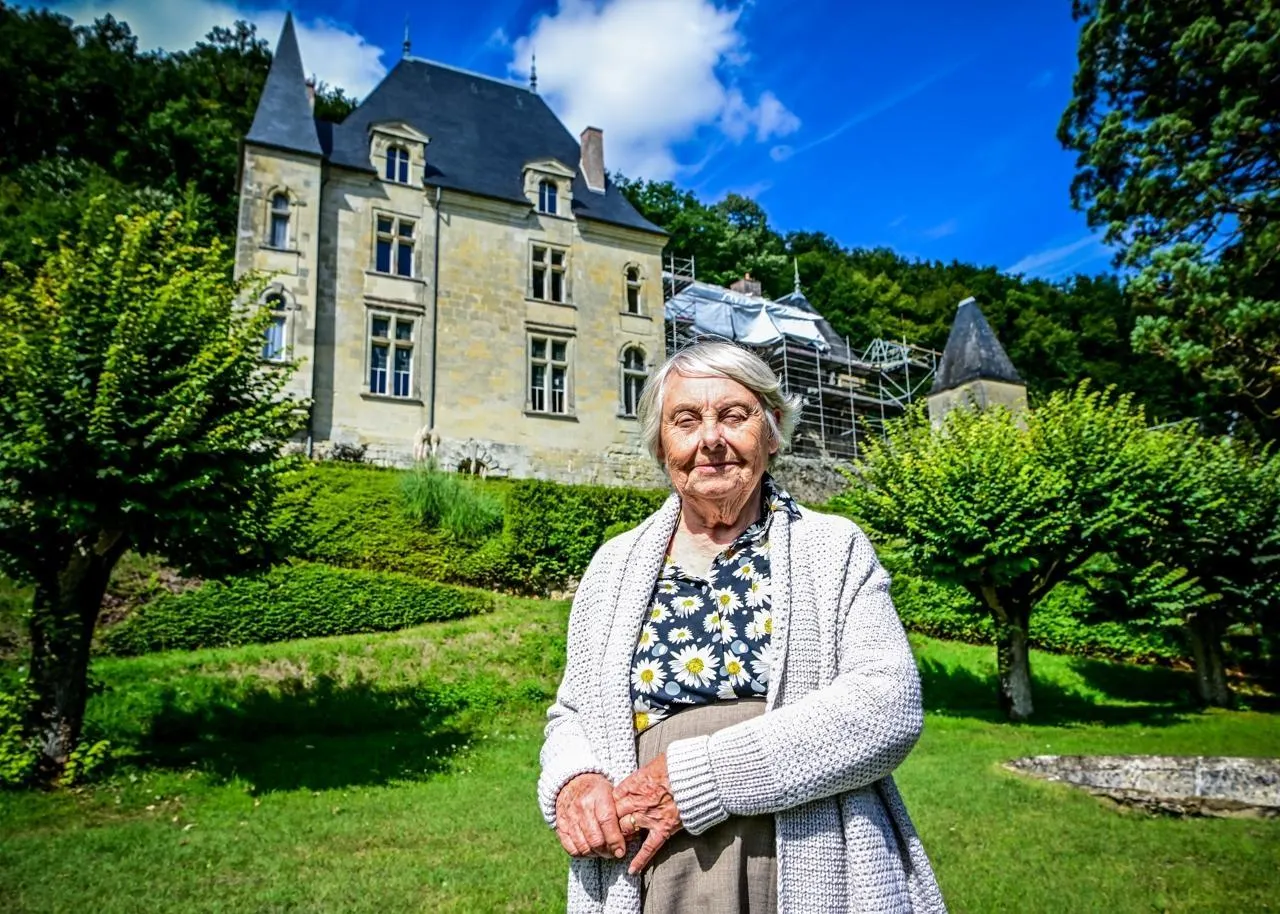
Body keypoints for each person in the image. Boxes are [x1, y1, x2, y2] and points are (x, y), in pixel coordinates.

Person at [538, 341, 945, 913]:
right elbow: (574, 713)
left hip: (811, 848)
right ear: (661, 443)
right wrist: (575, 781)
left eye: (734, 415)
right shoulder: (613, 565)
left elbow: (887, 705)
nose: (710, 439)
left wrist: (696, 780)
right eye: (686, 421)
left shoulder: (833, 547)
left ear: (772, 431)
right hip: (650, 865)